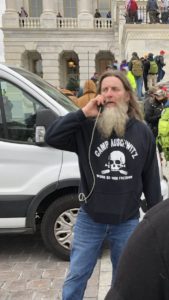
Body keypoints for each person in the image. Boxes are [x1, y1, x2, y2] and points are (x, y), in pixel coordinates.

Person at [45, 70, 162, 300]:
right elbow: (52, 137)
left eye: (115, 89)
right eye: (104, 89)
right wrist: (82, 113)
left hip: (127, 221)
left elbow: (150, 177)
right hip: (90, 219)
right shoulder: (87, 128)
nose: (108, 94)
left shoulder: (143, 132)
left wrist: (155, 216)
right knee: (77, 275)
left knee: (124, 279)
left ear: (127, 95)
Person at [104, 198, 169, 300]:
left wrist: (153, 204)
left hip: (127, 218)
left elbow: (150, 182)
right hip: (90, 217)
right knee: (78, 273)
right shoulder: (156, 230)